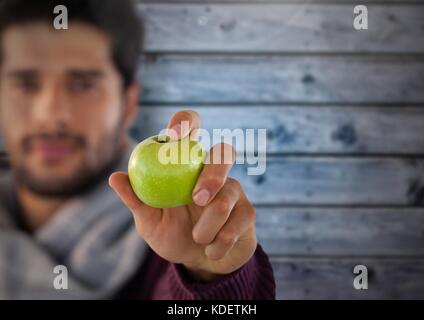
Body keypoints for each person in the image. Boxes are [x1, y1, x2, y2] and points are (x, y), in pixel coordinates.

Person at [0, 0, 275, 299]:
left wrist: (208, 277)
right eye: (25, 84)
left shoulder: (175, 234)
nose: (50, 115)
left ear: (128, 104)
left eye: (83, 85)